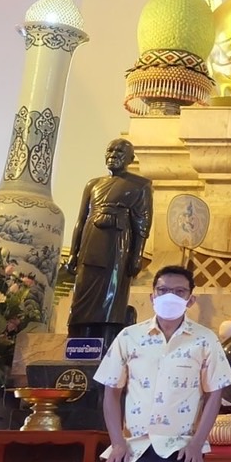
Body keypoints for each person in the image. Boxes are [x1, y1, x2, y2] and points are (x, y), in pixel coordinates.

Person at [90, 265, 231, 462]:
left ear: (190, 300)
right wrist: (117, 443)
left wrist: (196, 445)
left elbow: (214, 394)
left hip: (179, 445)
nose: (170, 297)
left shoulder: (205, 339)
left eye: (179, 292)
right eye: (163, 290)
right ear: (152, 296)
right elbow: (111, 392)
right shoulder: (129, 336)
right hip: (135, 445)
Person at [66, 139, 153, 341]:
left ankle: (106, 336)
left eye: (120, 152)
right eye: (110, 150)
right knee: (82, 293)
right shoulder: (93, 184)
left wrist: (137, 256)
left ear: (130, 159)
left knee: (110, 296)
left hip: (117, 246)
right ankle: (79, 336)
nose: (113, 155)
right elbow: (81, 220)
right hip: (90, 242)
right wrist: (73, 253)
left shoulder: (140, 185)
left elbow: (142, 224)